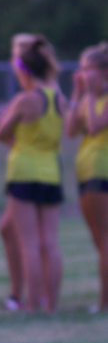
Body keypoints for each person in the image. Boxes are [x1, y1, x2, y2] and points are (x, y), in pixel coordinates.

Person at [0, 35, 65, 313]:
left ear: (24, 70)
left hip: (24, 171)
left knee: (30, 244)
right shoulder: (58, 96)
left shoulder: (26, 99)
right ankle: (53, 303)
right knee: (51, 241)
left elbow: (2, 132)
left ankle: (33, 303)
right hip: (51, 171)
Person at [66, 42, 108, 313]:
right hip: (85, 170)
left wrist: (91, 95)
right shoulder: (87, 98)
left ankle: (104, 303)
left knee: (105, 239)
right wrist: (77, 93)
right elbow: (71, 130)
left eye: (87, 69)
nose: (82, 74)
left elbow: (95, 126)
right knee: (98, 240)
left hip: (101, 169)